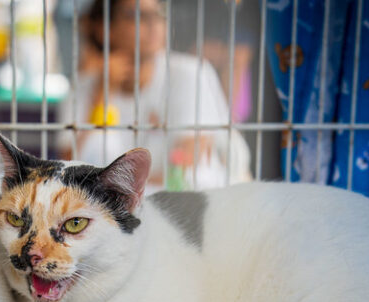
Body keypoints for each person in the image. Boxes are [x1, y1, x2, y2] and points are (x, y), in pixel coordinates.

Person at [56, 0, 250, 192]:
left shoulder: (189, 73)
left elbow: (186, 167)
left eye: (158, 13)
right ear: (105, 28)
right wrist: (101, 95)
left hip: (179, 199)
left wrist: (117, 191)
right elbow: (69, 168)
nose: (152, 23)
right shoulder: (84, 86)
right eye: (135, 15)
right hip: (114, 201)